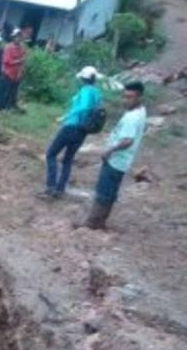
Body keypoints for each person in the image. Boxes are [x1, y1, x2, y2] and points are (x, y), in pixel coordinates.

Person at [80, 81, 147, 230]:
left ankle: (91, 223)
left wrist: (109, 150)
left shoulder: (132, 117)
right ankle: (101, 222)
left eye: (130, 97)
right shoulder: (141, 111)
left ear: (139, 97)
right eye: (124, 96)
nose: (126, 100)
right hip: (123, 161)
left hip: (116, 160)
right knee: (110, 192)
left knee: (103, 191)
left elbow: (128, 140)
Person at [41, 66, 102, 199]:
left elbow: (84, 106)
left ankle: (50, 186)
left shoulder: (86, 90)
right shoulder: (97, 93)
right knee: (68, 160)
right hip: (83, 130)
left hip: (71, 126)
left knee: (51, 154)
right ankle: (60, 189)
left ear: (83, 78)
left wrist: (65, 117)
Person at [0, 28, 28, 110]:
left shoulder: (21, 49)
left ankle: (9, 106)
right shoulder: (8, 47)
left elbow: (23, 61)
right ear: (13, 37)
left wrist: (21, 71)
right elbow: (7, 61)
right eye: (17, 37)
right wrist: (19, 61)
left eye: (20, 37)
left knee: (12, 92)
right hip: (7, 73)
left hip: (16, 74)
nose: (18, 39)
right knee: (3, 92)